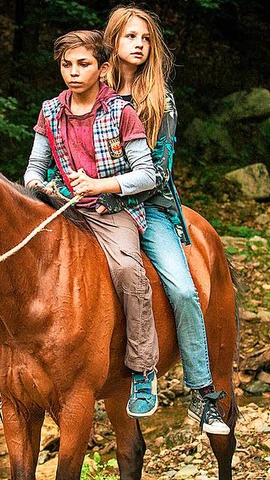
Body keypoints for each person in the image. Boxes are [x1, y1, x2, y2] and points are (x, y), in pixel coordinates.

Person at [0, 29, 160, 419]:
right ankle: (0, 375)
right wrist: (38, 185)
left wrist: (99, 184)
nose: (74, 72)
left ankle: (142, 369)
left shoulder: (120, 112)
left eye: (84, 64)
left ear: (103, 68)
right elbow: (34, 167)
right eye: (66, 65)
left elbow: (147, 175)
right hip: (63, 208)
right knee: (13, 269)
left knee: (127, 270)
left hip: (110, 211)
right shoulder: (51, 110)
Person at [102, 5, 229, 435]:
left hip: (149, 207)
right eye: (130, 37)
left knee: (184, 289)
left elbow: (158, 170)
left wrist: (109, 187)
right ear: (114, 41)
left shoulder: (161, 98)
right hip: (92, 208)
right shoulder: (92, 89)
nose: (138, 45)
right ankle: (0, 379)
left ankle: (201, 393)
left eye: (145, 39)